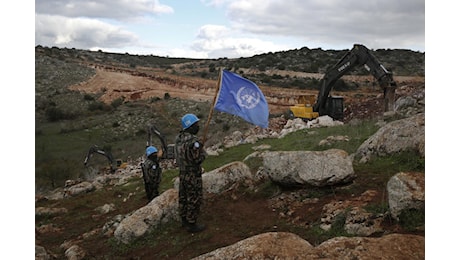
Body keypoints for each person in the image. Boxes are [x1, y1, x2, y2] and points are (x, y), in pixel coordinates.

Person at [175, 113, 207, 233]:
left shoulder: (179, 138)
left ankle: (184, 219)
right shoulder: (194, 141)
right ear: (191, 126)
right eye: (196, 124)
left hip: (182, 172)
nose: (198, 126)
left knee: (183, 196)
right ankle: (192, 223)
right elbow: (198, 159)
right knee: (194, 197)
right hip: (193, 174)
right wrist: (201, 151)